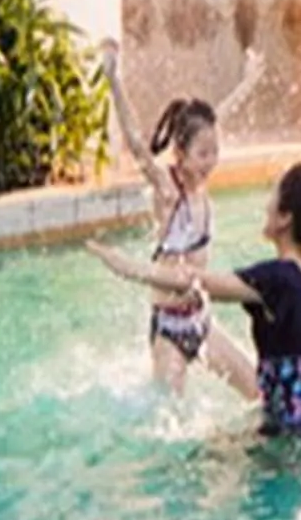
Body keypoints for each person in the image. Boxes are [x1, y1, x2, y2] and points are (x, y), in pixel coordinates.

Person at [89, 163, 301, 437]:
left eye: (272, 196)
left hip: (291, 433)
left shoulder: (276, 279)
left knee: (199, 460)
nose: (266, 205)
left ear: (285, 217)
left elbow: (191, 280)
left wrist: (128, 267)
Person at [100, 37, 261, 394]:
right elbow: (138, 145)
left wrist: (247, 81)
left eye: (214, 151)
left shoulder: (203, 191)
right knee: (169, 418)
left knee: (257, 392)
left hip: (200, 322)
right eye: (202, 154)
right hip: (170, 328)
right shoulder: (168, 191)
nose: (211, 161)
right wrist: (114, 79)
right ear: (180, 154)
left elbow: (220, 118)